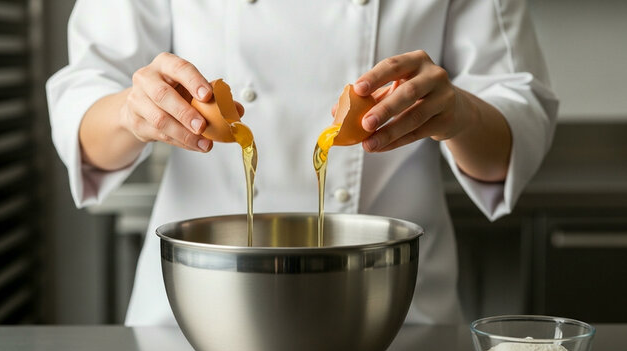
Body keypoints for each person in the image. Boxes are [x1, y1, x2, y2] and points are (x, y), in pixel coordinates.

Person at [47, 0, 557, 325]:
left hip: (392, 312)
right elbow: (84, 113)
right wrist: (132, 112)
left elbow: (513, 137)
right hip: (199, 316)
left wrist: (460, 113)